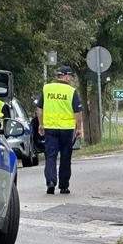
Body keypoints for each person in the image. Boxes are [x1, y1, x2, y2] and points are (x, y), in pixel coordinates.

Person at [36, 66, 83, 195]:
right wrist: (79, 128)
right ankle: (63, 186)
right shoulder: (71, 91)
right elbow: (77, 112)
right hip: (67, 130)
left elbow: (39, 109)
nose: (72, 80)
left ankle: (51, 182)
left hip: (50, 128)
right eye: (71, 77)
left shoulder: (47, 89)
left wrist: (41, 124)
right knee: (65, 157)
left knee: (50, 156)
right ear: (66, 77)